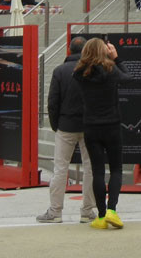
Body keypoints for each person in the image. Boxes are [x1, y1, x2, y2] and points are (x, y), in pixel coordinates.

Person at [39, 36, 97, 224]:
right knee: (90, 168)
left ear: (69, 50)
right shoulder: (92, 71)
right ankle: (87, 211)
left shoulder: (59, 71)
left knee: (60, 168)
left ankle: (55, 211)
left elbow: (53, 102)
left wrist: (56, 125)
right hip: (89, 125)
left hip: (65, 125)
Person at [74, 38, 129, 229]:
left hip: (91, 126)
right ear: (103, 51)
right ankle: (112, 210)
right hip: (112, 124)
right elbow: (127, 77)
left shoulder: (79, 73)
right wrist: (116, 57)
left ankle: (101, 214)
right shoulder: (111, 70)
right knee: (116, 169)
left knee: (97, 171)